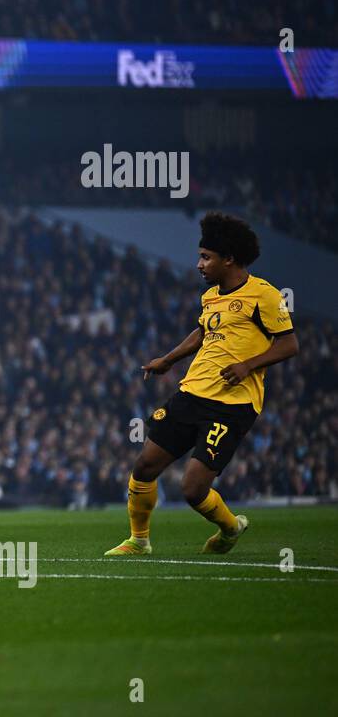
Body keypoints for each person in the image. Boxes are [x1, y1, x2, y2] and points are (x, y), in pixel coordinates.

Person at [106, 213, 298, 556]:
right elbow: (203, 331)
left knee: (193, 489)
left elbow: (289, 344)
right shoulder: (211, 297)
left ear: (229, 259)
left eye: (206, 257)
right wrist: (168, 359)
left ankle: (230, 527)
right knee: (145, 465)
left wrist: (247, 365)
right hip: (191, 393)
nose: (199, 264)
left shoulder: (264, 296)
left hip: (233, 404)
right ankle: (139, 540)